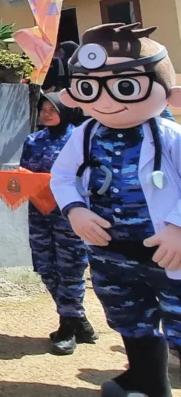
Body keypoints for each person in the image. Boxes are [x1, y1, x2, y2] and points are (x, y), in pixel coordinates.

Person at [51, 23, 181, 397]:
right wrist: (75, 210)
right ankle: (146, 381)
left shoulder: (168, 136)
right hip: (112, 253)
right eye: (91, 87)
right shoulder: (87, 133)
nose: (106, 100)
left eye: (124, 86)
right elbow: (61, 177)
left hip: (166, 252)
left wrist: (176, 228)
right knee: (130, 318)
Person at [20, 92, 98, 355]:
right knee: (45, 267)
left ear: (65, 110)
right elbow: (25, 173)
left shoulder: (80, 139)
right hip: (40, 214)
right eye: (43, 108)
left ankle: (67, 328)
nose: (46, 113)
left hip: (70, 215)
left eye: (52, 108)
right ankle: (78, 319)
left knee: (71, 270)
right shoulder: (32, 140)